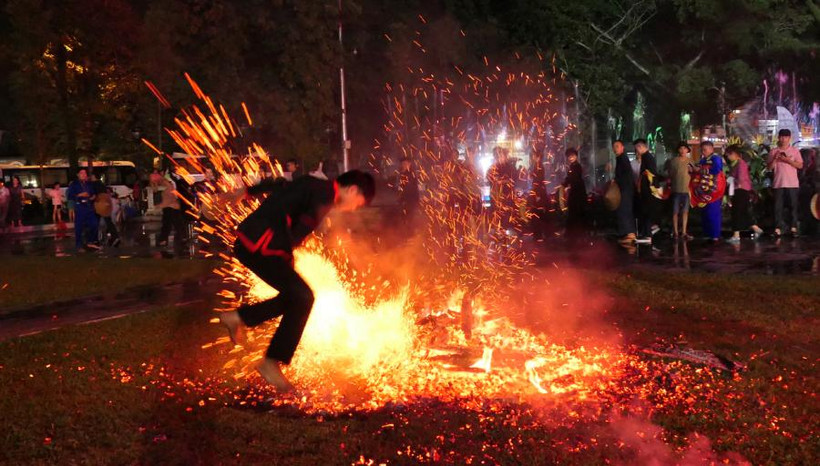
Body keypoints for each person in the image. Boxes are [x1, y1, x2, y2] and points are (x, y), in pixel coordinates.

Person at [217, 170, 376, 391]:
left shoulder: (316, 186)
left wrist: (248, 192)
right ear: (352, 190)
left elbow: (280, 184)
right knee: (302, 297)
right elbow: (298, 231)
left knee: (298, 297)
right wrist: (289, 255)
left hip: (252, 243)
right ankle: (270, 360)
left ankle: (239, 318)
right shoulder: (324, 195)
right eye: (358, 203)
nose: (354, 209)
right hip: (261, 246)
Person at [767, 129, 803, 237]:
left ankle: (793, 228)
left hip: (792, 183)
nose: (783, 139)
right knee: (778, 207)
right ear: (778, 138)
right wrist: (775, 159)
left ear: (789, 138)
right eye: (782, 137)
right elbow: (769, 168)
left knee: (793, 206)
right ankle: (778, 229)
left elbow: (800, 165)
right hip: (778, 183)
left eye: (786, 137)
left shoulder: (795, 151)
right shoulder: (773, 151)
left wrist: (788, 160)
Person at [725, 145, 763, 242]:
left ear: (735, 154)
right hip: (740, 190)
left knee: (736, 212)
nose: (728, 157)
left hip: (740, 190)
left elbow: (741, 178)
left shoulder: (740, 164)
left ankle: (736, 235)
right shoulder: (736, 164)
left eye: (729, 155)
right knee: (743, 212)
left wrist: (731, 180)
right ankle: (756, 229)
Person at [697, 141, 724, 242]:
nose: (703, 152)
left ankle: (715, 235)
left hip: (714, 190)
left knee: (713, 212)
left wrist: (702, 170)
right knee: (705, 212)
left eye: (705, 150)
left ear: (711, 149)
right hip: (705, 189)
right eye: (702, 150)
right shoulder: (703, 160)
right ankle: (707, 233)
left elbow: (717, 170)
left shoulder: (716, 158)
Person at [667, 142, 694, 240]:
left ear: (687, 150)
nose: (683, 150)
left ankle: (684, 232)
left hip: (686, 190)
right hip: (676, 189)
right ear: (678, 150)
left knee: (685, 212)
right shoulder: (673, 161)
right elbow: (670, 174)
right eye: (681, 148)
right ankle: (675, 232)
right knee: (675, 212)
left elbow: (694, 172)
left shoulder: (690, 161)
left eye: (685, 149)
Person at [634, 139, 660, 242]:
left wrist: (648, 184)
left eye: (637, 148)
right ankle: (646, 233)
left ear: (641, 147)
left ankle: (648, 235)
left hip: (648, 189)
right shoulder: (647, 157)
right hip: (646, 189)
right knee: (645, 211)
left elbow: (652, 173)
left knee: (646, 211)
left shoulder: (648, 158)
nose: (637, 151)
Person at [67, 169, 98, 250]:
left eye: (85, 173)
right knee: (79, 227)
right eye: (82, 173)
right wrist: (80, 195)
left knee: (94, 224)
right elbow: (70, 196)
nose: (84, 174)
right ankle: (79, 245)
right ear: (78, 174)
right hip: (80, 207)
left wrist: (93, 197)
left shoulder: (89, 184)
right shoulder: (74, 184)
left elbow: (93, 193)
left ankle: (89, 241)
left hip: (89, 207)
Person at [613, 140, 636, 244]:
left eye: (617, 146)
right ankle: (627, 233)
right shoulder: (620, 158)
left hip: (625, 189)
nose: (615, 148)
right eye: (614, 147)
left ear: (622, 147)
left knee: (625, 210)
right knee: (623, 210)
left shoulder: (623, 158)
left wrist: (616, 181)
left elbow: (626, 175)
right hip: (624, 189)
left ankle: (630, 234)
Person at [155, 176, 186, 248]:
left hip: (171, 207)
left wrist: (160, 206)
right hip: (172, 207)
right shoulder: (167, 184)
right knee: (176, 224)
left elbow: (169, 199)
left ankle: (164, 240)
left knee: (167, 224)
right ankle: (182, 238)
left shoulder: (166, 184)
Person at [561, 148, 587, 237]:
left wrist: (566, 185)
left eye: (572, 156)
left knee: (576, 212)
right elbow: (569, 178)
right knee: (573, 211)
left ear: (576, 156)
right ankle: (573, 233)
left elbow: (574, 178)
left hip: (578, 192)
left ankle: (575, 234)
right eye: (569, 156)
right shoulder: (572, 166)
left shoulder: (577, 166)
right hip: (575, 191)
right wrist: (564, 185)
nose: (570, 158)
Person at [397, 157, 420, 224]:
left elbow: (410, 188)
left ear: (409, 164)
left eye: (405, 163)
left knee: (409, 218)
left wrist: (402, 198)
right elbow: (401, 187)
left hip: (410, 200)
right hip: (406, 200)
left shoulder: (410, 174)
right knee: (405, 218)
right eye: (403, 164)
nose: (403, 165)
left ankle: (409, 232)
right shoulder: (403, 174)